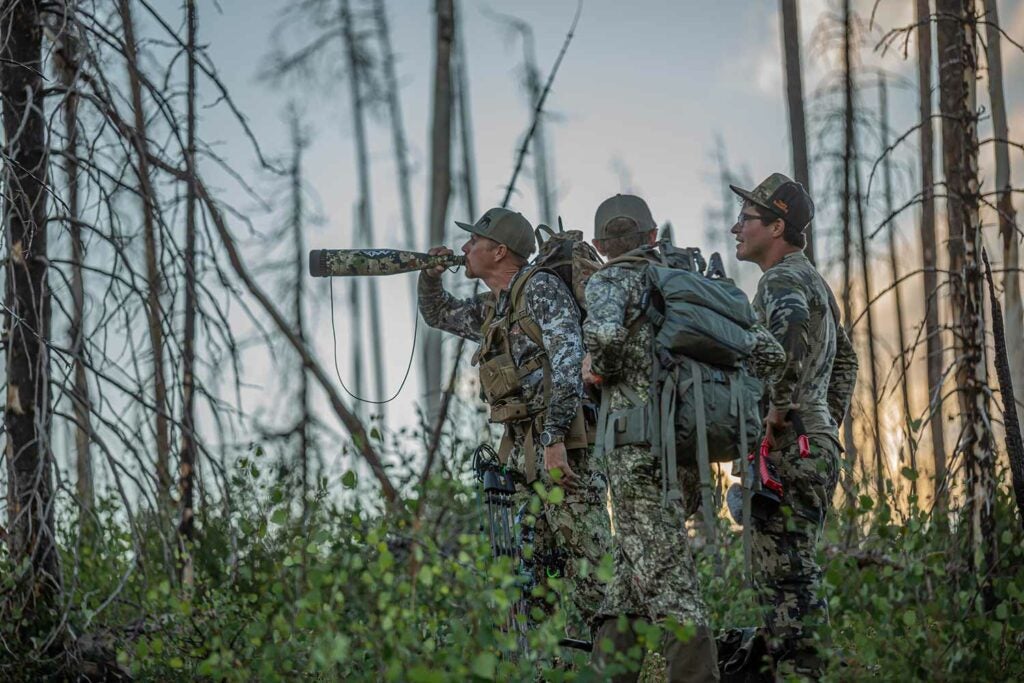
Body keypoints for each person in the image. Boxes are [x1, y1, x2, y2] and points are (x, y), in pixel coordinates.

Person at [418, 206, 609, 637]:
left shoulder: (540, 289)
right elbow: (440, 314)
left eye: (474, 242)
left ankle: (627, 661)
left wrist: (555, 437)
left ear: (499, 251)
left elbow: (567, 363)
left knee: (592, 572)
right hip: (525, 456)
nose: (465, 248)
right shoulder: (497, 306)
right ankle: (542, 667)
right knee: (528, 579)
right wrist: (429, 276)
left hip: (565, 449)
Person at [583, 194, 720, 683]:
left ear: (600, 246)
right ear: (653, 237)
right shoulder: (684, 282)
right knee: (629, 581)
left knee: (670, 585)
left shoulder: (609, 280)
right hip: (686, 451)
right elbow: (760, 351)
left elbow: (603, 338)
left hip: (636, 455)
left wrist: (596, 370)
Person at [729, 173, 859, 677]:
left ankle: (805, 673)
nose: (737, 227)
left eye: (747, 219)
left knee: (783, 580)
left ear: (777, 225)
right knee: (794, 571)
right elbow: (845, 360)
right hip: (813, 441)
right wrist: (824, 424)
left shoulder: (782, 279)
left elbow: (786, 346)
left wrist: (779, 417)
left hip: (790, 445)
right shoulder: (813, 279)